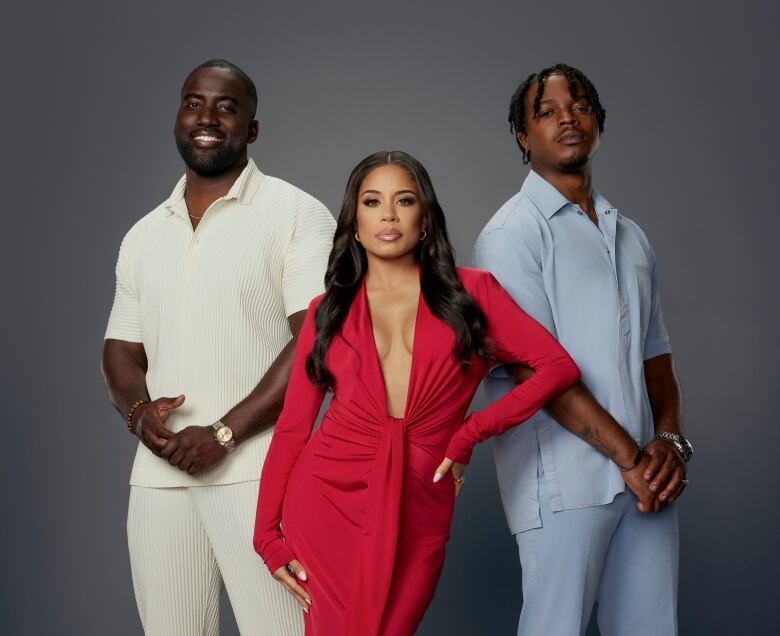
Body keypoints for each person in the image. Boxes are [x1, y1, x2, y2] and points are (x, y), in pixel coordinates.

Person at [254, 149, 597, 635]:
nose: (388, 214)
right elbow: (291, 429)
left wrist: (471, 431)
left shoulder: (473, 295)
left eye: (404, 200)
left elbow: (555, 367)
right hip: (325, 503)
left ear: (425, 219)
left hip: (421, 500)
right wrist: (266, 534)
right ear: (354, 224)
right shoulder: (324, 311)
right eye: (372, 202)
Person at [101, 59, 336, 635]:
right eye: (194, 103)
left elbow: (318, 337)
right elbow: (121, 350)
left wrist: (223, 433)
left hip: (262, 474)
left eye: (227, 107)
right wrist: (139, 416)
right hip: (159, 481)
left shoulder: (296, 213)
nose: (207, 118)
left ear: (251, 129)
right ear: (178, 117)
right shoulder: (144, 233)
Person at [475, 63, 692, 635]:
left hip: (645, 478)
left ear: (598, 120)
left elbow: (657, 356)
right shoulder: (511, 235)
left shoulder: (631, 234)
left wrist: (668, 443)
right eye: (545, 111)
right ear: (524, 137)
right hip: (562, 485)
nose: (566, 117)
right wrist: (633, 459)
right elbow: (532, 370)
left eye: (579, 105)